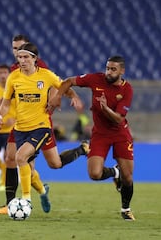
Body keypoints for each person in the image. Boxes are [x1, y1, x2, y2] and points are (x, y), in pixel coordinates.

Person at [0, 35, 89, 215]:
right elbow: (6, 101)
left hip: (41, 126)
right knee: (23, 161)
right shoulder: (14, 76)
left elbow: (62, 86)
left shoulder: (45, 74)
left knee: (29, 159)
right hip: (20, 128)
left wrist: (73, 96)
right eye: (18, 55)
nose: (20, 59)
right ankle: (36, 194)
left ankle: (25, 201)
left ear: (35, 58)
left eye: (25, 56)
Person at [48, 55, 135, 221]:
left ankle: (126, 209)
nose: (108, 72)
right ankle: (115, 172)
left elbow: (118, 118)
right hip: (100, 134)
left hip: (120, 134)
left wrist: (105, 108)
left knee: (128, 177)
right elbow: (68, 81)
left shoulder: (127, 89)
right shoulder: (96, 79)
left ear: (122, 71)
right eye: (107, 68)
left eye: (113, 69)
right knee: (94, 174)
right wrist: (59, 95)